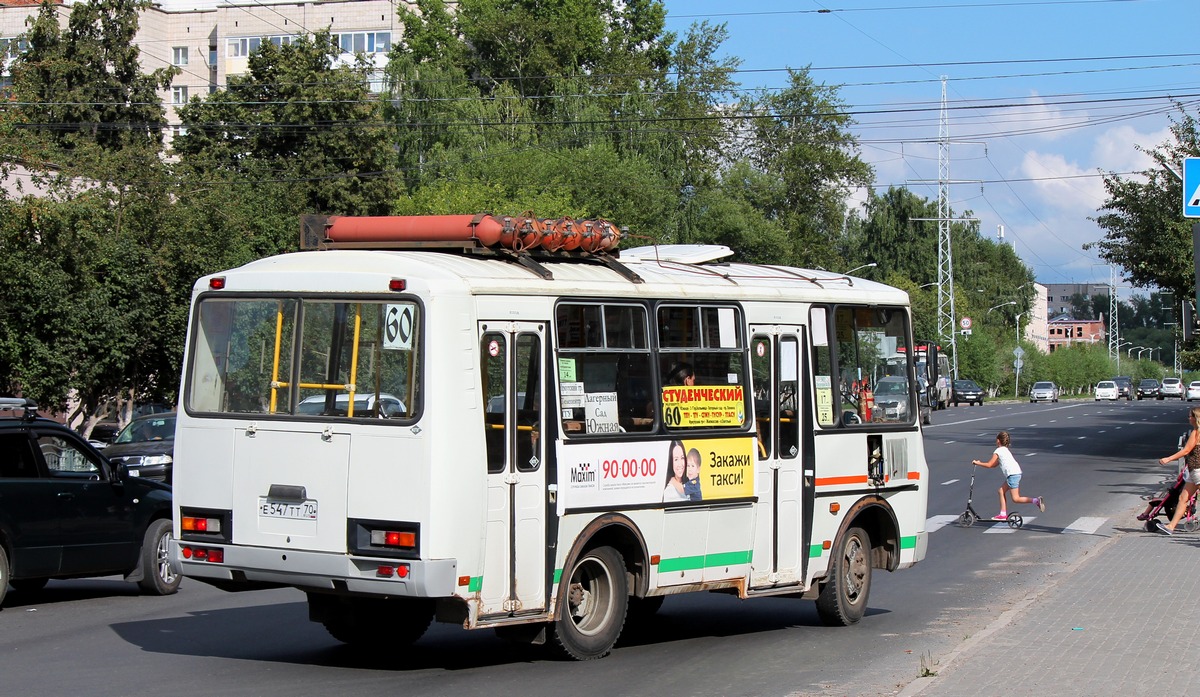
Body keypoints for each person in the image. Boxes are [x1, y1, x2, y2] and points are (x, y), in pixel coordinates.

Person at [971, 431, 1046, 521]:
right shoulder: (1005, 450)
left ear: (998, 441)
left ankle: (1035, 501)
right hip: (1015, 473)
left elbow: (990, 464)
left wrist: (978, 463)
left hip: (1012, 474)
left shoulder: (998, 451)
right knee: (1001, 491)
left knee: (1015, 498)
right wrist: (981, 463)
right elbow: (995, 464)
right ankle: (1004, 513)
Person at [1154, 407, 1200, 534]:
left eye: (1190, 416)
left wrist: (1169, 459)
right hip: (1193, 470)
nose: (1188, 418)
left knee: (1184, 498)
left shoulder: (1196, 433)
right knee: (1183, 498)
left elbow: (1186, 450)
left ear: (1196, 418)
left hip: (1198, 469)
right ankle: (1171, 526)